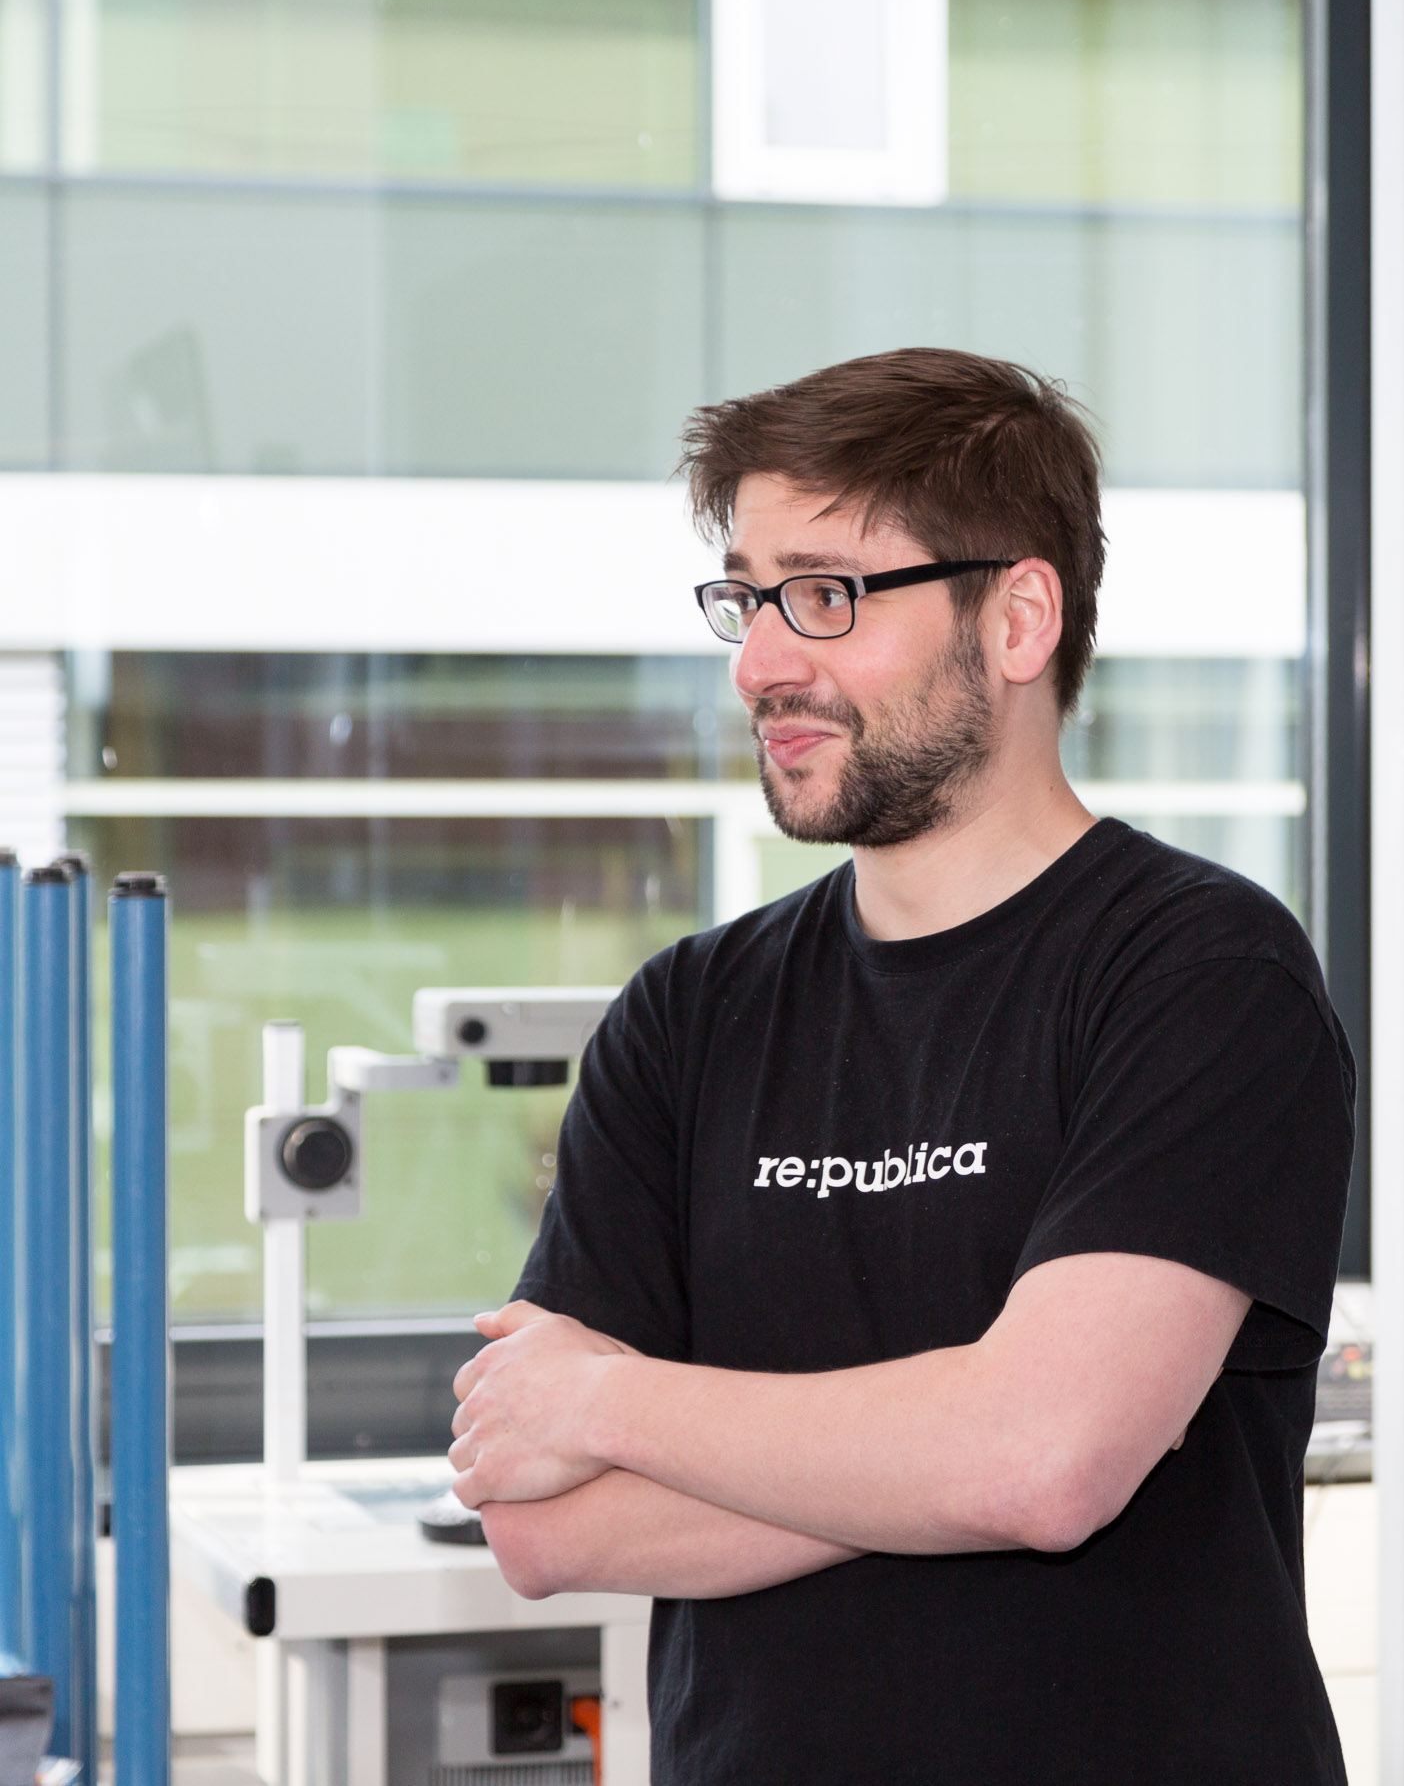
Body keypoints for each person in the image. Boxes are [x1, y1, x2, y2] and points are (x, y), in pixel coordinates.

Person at [442, 349, 1356, 1784]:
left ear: (1018, 616)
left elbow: (1041, 1462)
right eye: (747, 597)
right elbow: (541, 1524)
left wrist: (610, 1403)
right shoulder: (686, 1015)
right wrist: (957, 1448)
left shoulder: (1198, 973)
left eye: (826, 593)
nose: (759, 663)